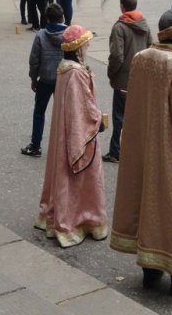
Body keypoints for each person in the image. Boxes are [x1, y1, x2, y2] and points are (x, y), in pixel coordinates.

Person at [110, 9, 172, 297]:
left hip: (141, 148)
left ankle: (150, 272)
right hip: (168, 152)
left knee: (146, 204)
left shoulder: (141, 58)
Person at [34, 24, 108, 247]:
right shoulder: (75, 73)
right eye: (86, 43)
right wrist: (96, 120)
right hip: (78, 132)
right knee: (81, 176)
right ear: (78, 48)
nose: (88, 46)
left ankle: (66, 215)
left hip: (65, 131)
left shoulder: (65, 69)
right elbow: (80, 108)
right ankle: (80, 218)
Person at [104, 0, 153, 163]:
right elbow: (150, 47)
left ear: (122, 6)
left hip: (124, 78)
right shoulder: (144, 24)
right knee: (137, 115)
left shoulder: (120, 27)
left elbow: (117, 55)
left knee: (119, 117)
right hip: (140, 76)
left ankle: (116, 152)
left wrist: (112, 72)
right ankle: (138, 150)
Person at [21, 4, 67, 157]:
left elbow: (34, 60)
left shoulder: (41, 35)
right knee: (64, 113)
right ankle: (65, 146)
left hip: (46, 78)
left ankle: (36, 145)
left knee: (39, 112)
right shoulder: (69, 33)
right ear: (62, 17)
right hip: (64, 77)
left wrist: (34, 78)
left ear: (47, 18)